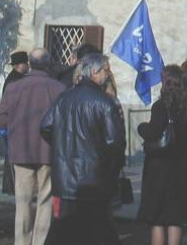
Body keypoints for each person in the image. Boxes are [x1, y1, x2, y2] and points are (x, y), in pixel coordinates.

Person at [41, 53, 125, 244]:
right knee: (93, 231)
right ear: (95, 72)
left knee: (67, 231)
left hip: (67, 177)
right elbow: (115, 144)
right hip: (93, 179)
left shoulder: (64, 98)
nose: (108, 74)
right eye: (106, 70)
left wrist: (62, 147)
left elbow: (46, 127)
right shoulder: (104, 102)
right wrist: (111, 169)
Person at [0, 48, 65, 245]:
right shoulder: (58, 88)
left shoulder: (13, 87)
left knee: (23, 201)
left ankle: (22, 242)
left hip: (21, 150)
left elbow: (1, 120)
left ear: (30, 63)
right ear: (48, 64)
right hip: (48, 150)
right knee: (45, 201)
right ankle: (40, 242)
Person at [137, 65, 187, 245]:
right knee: (175, 218)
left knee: (157, 218)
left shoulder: (160, 107)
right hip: (182, 167)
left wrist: (142, 127)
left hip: (160, 167)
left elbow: (153, 131)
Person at [0, 50, 30, 196]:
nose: (28, 66)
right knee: (13, 157)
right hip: (15, 123)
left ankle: (10, 186)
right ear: (20, 65)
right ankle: (11, 186)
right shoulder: (16, 80)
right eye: (26, 63)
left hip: (13, 123)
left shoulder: (15, 78)